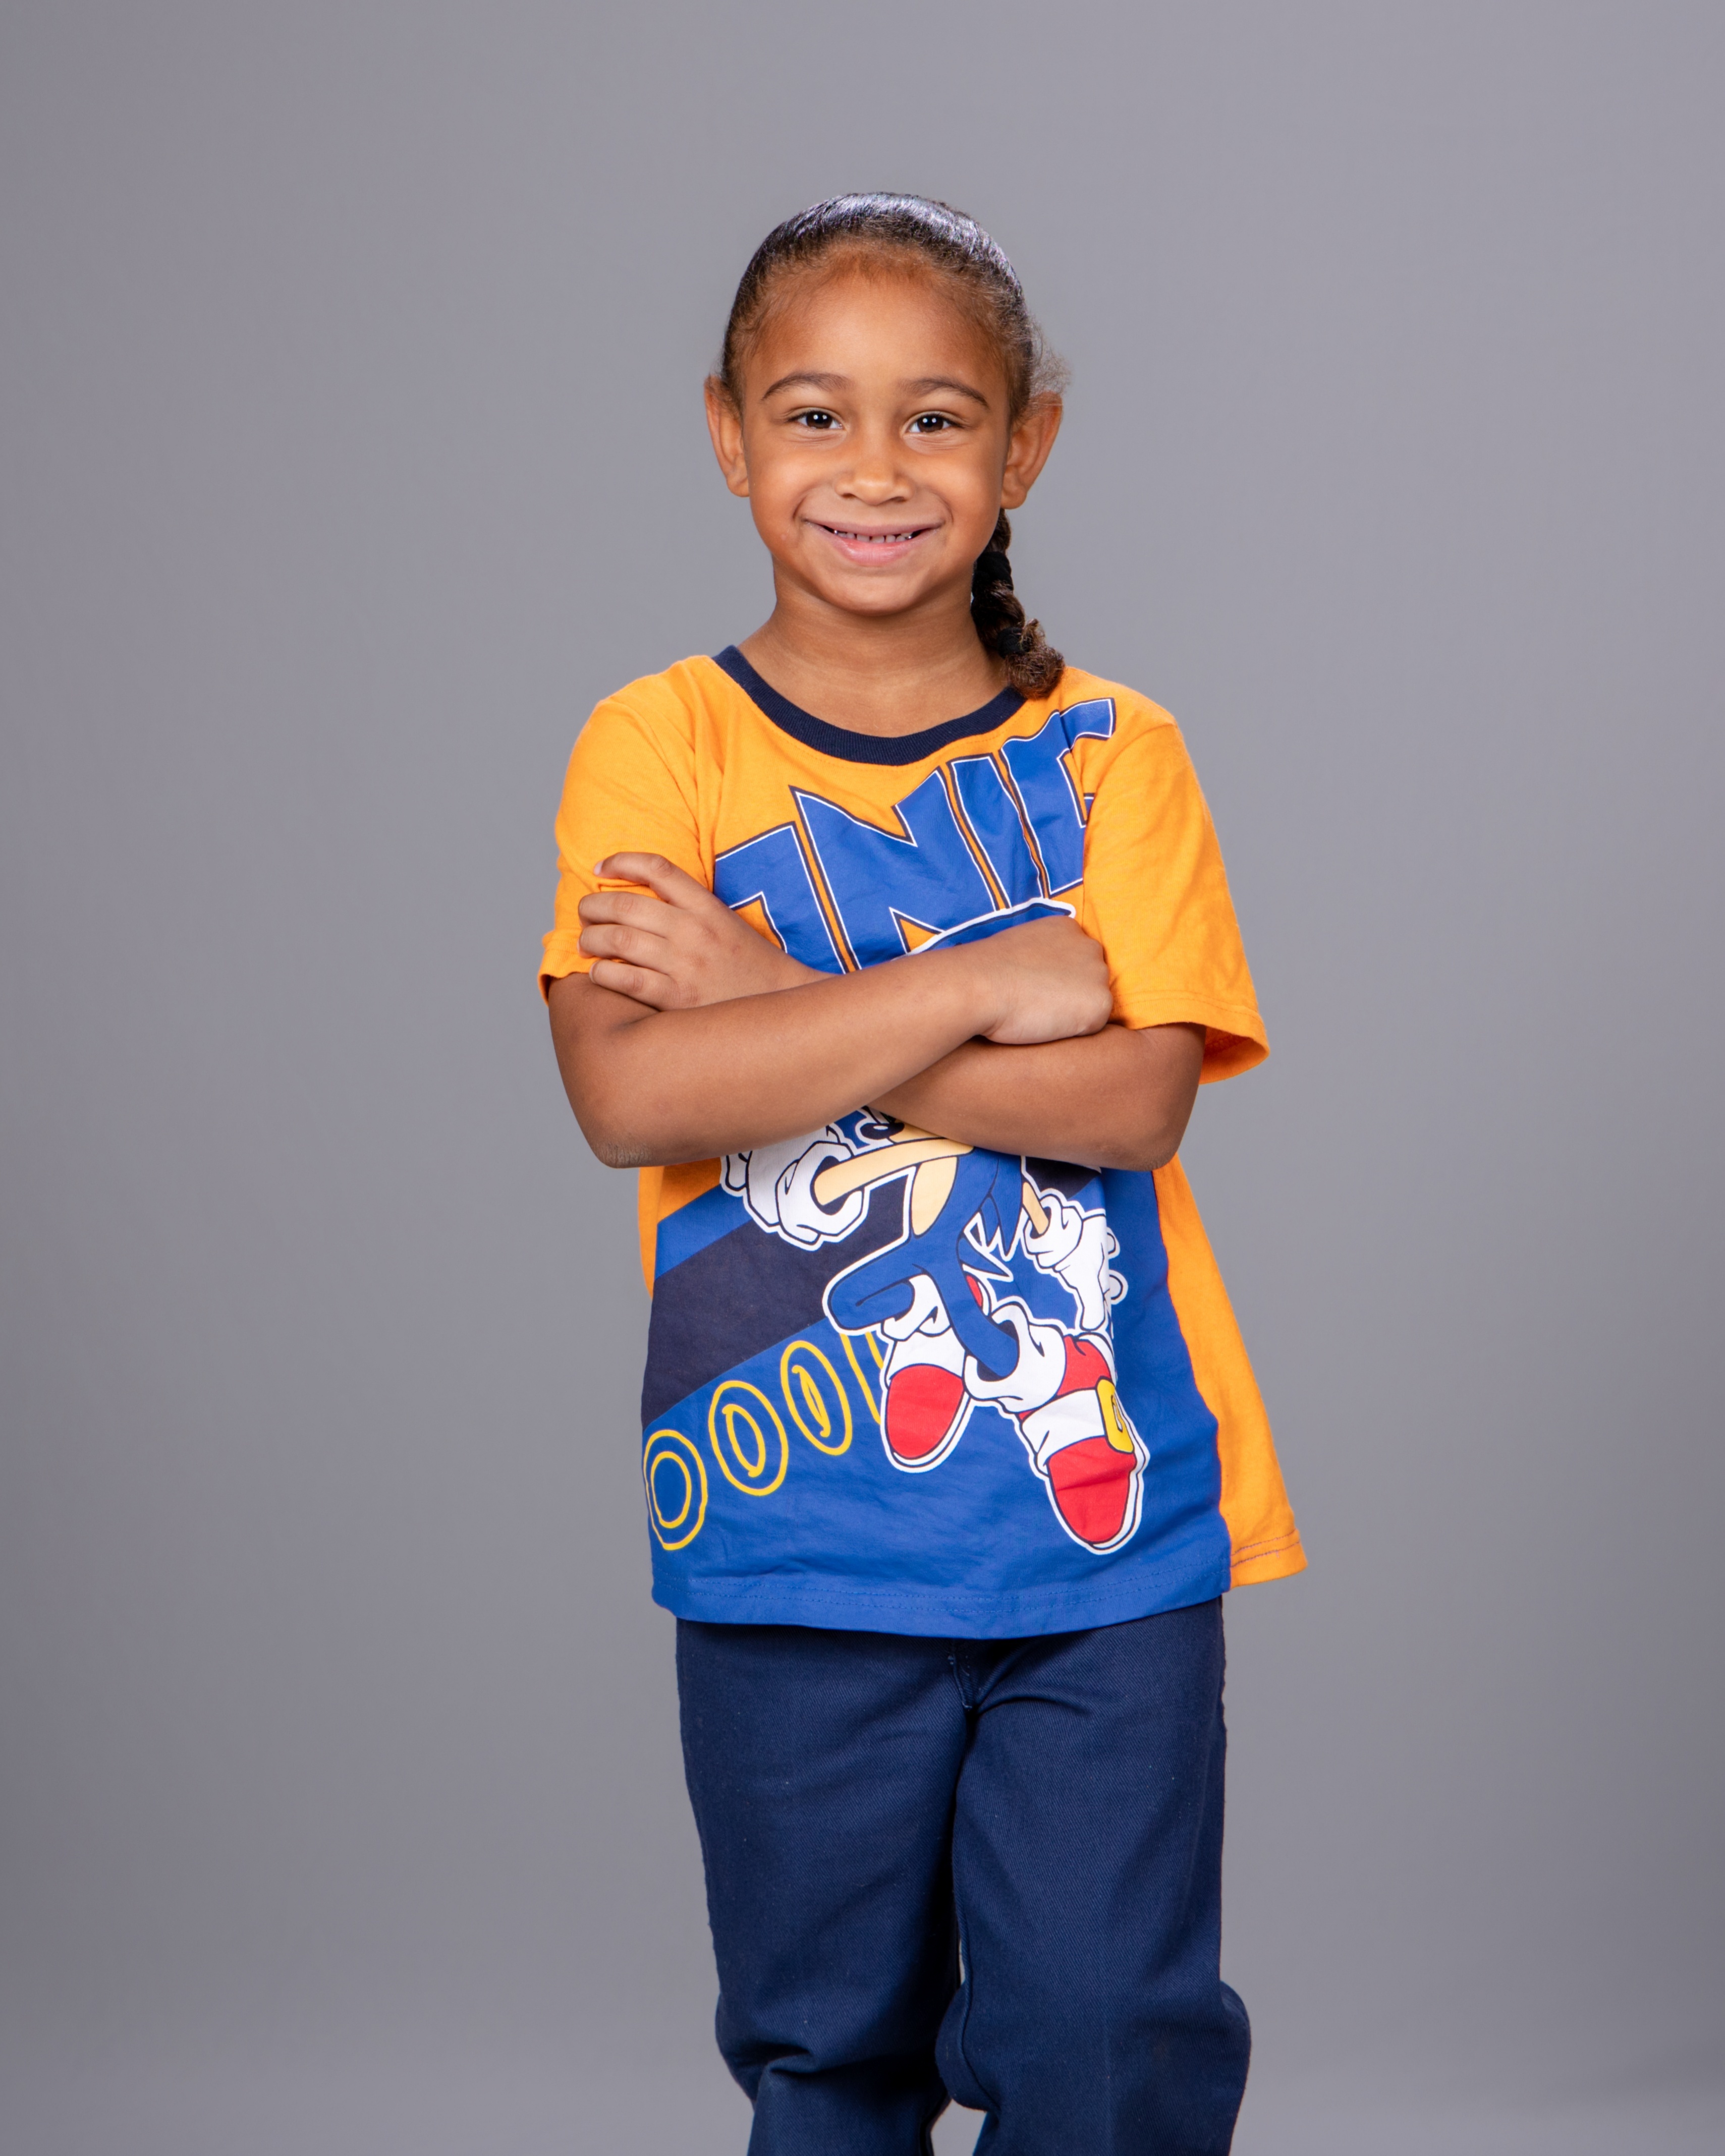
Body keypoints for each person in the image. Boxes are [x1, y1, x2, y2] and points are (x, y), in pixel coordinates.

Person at [541, 194, 1304, 2155]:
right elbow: (634, 1097)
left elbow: (1132, 1102)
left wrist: (776, 1002)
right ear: (727, 434)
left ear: (1024, 443)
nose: (873, 468)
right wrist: (975, 983)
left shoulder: (1116, 752)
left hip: (1107, 1540)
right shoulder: (658, 744)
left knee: (1112, 2038)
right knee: (828, 2055)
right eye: (814, 414)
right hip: (792, 1524)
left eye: (937, 418)